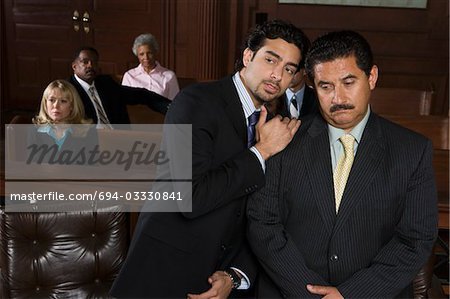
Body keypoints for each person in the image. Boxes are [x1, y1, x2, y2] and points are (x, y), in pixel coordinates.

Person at [110, 19, 309, 298]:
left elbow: (260, 217)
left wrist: (235, 274)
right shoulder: (195, 102)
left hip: (222, 279)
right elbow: (190, 197)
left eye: (289, 69)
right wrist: (260, 152)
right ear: (248, 56)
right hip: (162, 271)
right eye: (270, 60)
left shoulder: (273, 126)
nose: (277, 75)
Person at [247, 30, 438, 298]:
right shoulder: (283, 140)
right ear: (313, 86)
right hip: (291, 293)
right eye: (326, 86)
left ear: (371, 77)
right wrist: (311, 293)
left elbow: (414, 240)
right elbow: (263, 223)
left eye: (349, 82)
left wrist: (350, 294)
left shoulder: (412, 150)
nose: (338, 98)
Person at [69, 46, 171, 128]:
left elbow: (140, 94)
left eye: (94, 62)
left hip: (118, 138)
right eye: (85, 62)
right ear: (74, 66)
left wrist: (170, 107)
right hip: (89, 142)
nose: (90, 65)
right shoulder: (67, 90)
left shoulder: (106, 83)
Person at [27, 79, 97, 163]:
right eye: (51, 100)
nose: (56, 106)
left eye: (63, 101)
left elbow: (91, 168)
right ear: (45, 103)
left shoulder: (87, 131)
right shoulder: (35, 130)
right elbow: (33, 167)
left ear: (72, 106)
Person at [122, 33, 180, 100]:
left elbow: (175, 103)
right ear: (137, 55)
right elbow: (124, 102)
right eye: (141, 54)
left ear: (155, 52)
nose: (146, 57)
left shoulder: (169, 76)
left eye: (149, 53)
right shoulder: (129, 76)